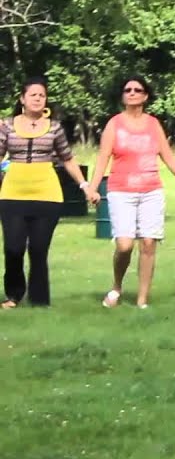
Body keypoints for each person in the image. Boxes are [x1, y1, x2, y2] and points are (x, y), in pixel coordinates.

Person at [85, 76, 175, 309]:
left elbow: (168, 156)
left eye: (137, 90)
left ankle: (142, 300)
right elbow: (103, 157)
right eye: (128, 90)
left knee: (148, 243)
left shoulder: (154, 124)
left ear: (145, 96)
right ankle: (116, 286)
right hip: (121, 190)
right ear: (123, 96)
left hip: (151, 191)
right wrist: (93, 187)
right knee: (124, 245)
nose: (132, 93)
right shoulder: (114, 124)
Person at [0, 77, 91, 308]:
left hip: (47, 194)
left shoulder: (54, 127)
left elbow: (67, 159)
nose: (38, 99)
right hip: (13, 193)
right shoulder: (7, 125)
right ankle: (13, 295)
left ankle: (40, 300)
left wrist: (84, 185)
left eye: (42, 95)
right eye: (33, 95)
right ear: (22, 99)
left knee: (39, 249)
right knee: (13, 247)